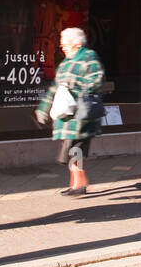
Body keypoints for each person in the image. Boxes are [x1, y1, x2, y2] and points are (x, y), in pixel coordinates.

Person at [36, 27, 105, 196]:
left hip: (81, 115)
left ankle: (79, 184)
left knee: (75, 150)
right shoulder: (65, 63)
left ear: (77, 43)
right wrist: (43, 108)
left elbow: (97, 78)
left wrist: (76, 90)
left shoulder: (88, 57)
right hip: (68, 117)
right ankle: (77, 183)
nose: (62, 48)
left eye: (65, 44)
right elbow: (54, 88)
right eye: (61, 45)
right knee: (72, 150)